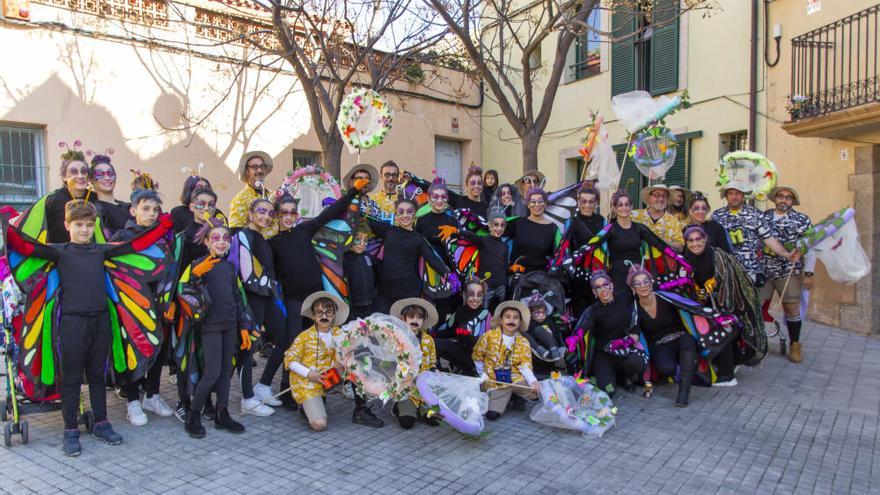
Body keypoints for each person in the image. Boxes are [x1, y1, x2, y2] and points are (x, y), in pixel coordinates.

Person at [6, 201, 173, 456]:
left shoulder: (101, 250)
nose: (84, 230)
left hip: (101, 320)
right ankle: (70, 430)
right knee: (71, 378)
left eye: (88, 225)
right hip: (72, 323)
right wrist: (4, 226)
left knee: (97, 374)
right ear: (67, 225)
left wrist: (163, 225)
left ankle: (102, 423)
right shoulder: (59, 251)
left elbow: (135, 245)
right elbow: (24, 246)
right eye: (78, 225)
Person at [270, 179, 368, 393]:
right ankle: (289, 388)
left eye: (293, 212)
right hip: (294, 300)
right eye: (284, 213)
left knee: (325, 341)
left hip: (317, 298)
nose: (288, 216)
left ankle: (327, 383)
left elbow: (330, 213)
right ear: (277, 216)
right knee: (295, 343)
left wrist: (353, 191)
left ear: (297, 215)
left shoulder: (305, 230)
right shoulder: (272, 243)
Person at [179, 221, 254, 438]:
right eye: (215, 238)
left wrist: (243, 327)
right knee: (212, 372)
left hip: (230, 325)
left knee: (225, 373)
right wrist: (195, 276)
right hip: (210, 326)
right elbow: (185, 293)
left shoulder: (229, 267)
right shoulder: (198, 265)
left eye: (225, 238)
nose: (221, 242)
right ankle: (193, 415)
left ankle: (222, 413)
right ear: (206, 242)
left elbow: (236, 298)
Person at [110, 190, 176, 425]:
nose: (151, 214)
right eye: (146, 208)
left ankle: (153, 395)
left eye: (155, 210)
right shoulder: (123, 237)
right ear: (133, 210)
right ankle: (133, 402)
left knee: (158, 349)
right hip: (133, 306)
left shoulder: (164, 237)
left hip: (161, 303)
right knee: (134, 352)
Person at [283, 291, 384, 431]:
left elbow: (353, 349)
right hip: (308, 384)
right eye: (319, 313)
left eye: (328, 312)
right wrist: (308, 373)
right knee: (319, 425)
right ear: (313, 315)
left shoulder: (339, 333)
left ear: (334, 315)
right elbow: (289, 359)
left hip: (329, 378)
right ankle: (309, 407)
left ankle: (361, 409)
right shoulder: (304, 337)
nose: (324, 316)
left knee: (358, 363)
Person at [682, 224, 765, 386]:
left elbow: (729, 281)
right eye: (690, 240)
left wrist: (715, 301)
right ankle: (728, 364)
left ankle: (727, 375)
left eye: (699, 239)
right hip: (702, 303)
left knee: (722, 326)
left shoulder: (717, 256)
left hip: (725, 301)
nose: (695, 243)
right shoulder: (685, 257)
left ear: (705, 239)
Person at [233, 198, 286, 416]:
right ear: (250, 213)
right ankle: (247, 398)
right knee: (248, 348)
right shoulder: (243, 235)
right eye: (261, 211)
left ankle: (262, 386)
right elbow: (247, 275)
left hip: (267, 298)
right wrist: (269, 286)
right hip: (252, 299)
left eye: (270, 213)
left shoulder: (262, 238)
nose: (265, 216)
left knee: (285, 338)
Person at [365, 197, 452, 313]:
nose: (405, 215)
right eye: (401, 212)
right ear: (396, 215)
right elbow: (364, 220)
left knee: (405, 329)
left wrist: (450, 276)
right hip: (384, 292)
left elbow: (432, 260)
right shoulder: (388, 231)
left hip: (408, 292)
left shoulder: (419, 239)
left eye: (409, 211)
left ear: (414, 214)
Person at [760, 186, 813, 363]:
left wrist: (809, 273)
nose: (783, 200)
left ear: (793, 201)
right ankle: (755, 343)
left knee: (791, 307)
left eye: (788, 197)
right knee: (755, 306)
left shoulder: (802, 220)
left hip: (789, 271)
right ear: (775, 198)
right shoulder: (763, 217)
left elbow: (811, 247)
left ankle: (795, 344)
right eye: (780, 196)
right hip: (764, 270)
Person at [573, 271, 647, 397]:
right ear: (594, 292)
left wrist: (627, 342)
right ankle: (609, 375)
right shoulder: (593, 311)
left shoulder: (624, 299)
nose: (603, 289)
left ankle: (623, 376)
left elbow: (635, 327)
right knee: (608, 391)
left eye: (605, 285)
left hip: (624, 350)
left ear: (611, 286)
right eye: (598, 287)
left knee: (637, 362)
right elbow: (584, 327)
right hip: (603, 354)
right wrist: (574, 338)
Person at [630, 269, 696, 407]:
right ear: (633, 288)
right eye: (638, 283)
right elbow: (634, 331)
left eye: (645, 282)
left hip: (680, 337)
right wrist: (626, 341)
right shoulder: (634, 309)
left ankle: (683, 394)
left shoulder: (666, 298)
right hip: (660, 344)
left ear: (651, 283)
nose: (642, 286)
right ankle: (688, 369)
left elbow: (690, 307)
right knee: (667, 369)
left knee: (688, 342)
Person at [710, 183, 799, 281]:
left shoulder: (755, 215)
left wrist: (787, 255)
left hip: (750, 271)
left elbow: (768, 239)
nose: (734, 196)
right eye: (730, 193)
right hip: (725, 271)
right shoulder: (717, 216)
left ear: (743, 195)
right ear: (726, 196)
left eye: (738, 193)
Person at [472, 300, 540, 420]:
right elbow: (478, 356)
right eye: (507, 317)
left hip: (514, 377)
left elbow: (525, 365)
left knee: (536, 393)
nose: (511, 320)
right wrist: (482, 374)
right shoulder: (488, 336)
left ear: (519, 323)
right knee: (492, 415)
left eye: (515, 318)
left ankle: (514, 395)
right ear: (501, 320)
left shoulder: (523, 342)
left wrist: (533, 381)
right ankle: (511, 397)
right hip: (493, 378)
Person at [437, 208, 510, 312]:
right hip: (486, 285)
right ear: (489, 225)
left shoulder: (505, 246)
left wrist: (511, 270)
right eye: (495, 224)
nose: (499, 228)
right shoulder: (483, 241)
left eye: (502, 225)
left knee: (500, 312)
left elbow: (505, 265)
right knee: (481, 312)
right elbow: (470, 235)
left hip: (501, 286)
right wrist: (456, 230)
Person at [390, 298, 440, 429]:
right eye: (411, 316)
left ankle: (421, 409)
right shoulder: (397, 339)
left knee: (435, 420)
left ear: (424, 321)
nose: (415, 320)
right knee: (407, 423)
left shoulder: (429, 340)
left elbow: (433, 361)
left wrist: (434, 372)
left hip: (425, 389)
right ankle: (400, 407)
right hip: (407, 389)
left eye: (419, 318)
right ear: (403, 319)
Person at [433, 278, 492, 375]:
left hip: (479, 360)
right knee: (432, 342)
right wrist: (429, 336)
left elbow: (485, 345)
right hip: (462, 352)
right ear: (464, 295)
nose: (475, 299)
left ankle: (470, 371)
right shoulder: (460, 311)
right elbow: (447, 329)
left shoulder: (486, 314)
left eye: (479, 295)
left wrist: (466, 333)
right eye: (471, 294)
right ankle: (436, 367)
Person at [42, 143, 95, 243]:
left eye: (84, 171)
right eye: (74, 172)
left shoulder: (95, 198)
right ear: (64, 177)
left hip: (90, 255)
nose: (80, 176)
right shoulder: (53, 200)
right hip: (61, 256)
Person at [567, 186, 606, 318]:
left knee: (598, 311)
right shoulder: (571, 221)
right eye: (583, 201)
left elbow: (606, 248)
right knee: (580, 314)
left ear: (596, 203)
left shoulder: (602, 221)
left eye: (591, 201)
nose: (587, 205)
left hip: (598, 274)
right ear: (578, 201)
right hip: (578, 276)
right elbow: (565, 248)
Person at [506, 188, 560, 274]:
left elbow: (558, 257)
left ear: (545, 204)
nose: (537, 205)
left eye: (540, 201)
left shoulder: (553, 229)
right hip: (517, 276)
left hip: (541, 279)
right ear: (528, 205)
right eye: (533, 202)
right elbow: (494, 230)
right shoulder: (517, 223)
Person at [229, 150, 277, 238]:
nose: (259, 170)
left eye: (262, 166)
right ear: (247, 171)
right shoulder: (240, 198)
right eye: (255, 167)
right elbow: (235, 231)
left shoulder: (271, 194)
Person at [631, 185, 684, 252]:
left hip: (662, 260)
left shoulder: (674, 221)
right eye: (657, 195)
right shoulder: (634, 216)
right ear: (649, 198)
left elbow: (680, 247)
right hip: (637, 260)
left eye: (664, 196)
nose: (661, 199)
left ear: (667, 200)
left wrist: (663, 242)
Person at [89, 152, 131, 236]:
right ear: (91, 180)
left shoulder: (128, 206)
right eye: (100, 174)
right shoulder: (95, 211)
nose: (107, 178)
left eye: (110, 173)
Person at [343, 226, 378, 321]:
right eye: (358, 239)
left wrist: (374, 294)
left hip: (369, 305)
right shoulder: (344, 258)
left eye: (365, 240)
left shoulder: (368, 256)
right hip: (352, 308)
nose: (362, 244)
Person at [523, 293, 565, 362]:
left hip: (554, 347)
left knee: (541, 329)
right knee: (536, 330)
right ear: (531, 314)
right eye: (537, 312)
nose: (541, 315)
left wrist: (562, 346)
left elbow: (557, 335)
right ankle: (540, 349)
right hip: (538, 347)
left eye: (543, 312)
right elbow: (529, 338)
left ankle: (553, 349)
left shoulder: (549, 322)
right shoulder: (530, 323)